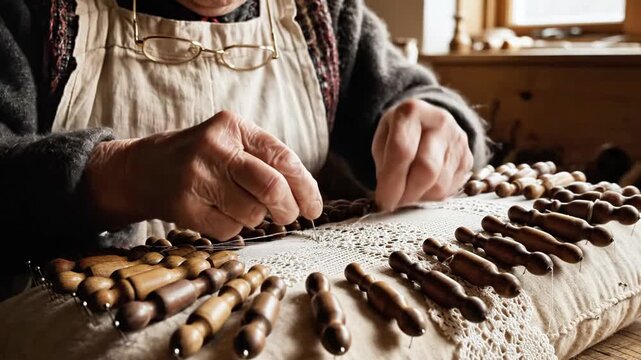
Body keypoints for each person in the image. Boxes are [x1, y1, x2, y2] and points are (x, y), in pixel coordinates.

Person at [0, 0, 488, 291]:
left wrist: (438, 124)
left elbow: (409, 98)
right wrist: (116, 175)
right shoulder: (32, 14)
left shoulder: (321, 13)